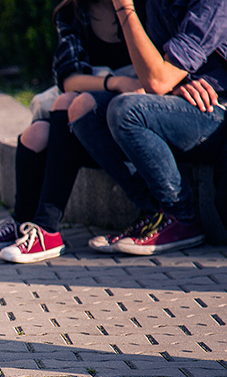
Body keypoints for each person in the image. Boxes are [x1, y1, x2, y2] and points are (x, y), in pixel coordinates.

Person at [0, 0, 144, 259]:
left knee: (66, 103)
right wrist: (118, 81)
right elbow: (69, 78)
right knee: (35, 135)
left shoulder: (146, 8)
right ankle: (23, 224)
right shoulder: (73, 12)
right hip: (88, 113)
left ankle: (47, 230)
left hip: (125, 120)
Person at [66, 0, 227, 256]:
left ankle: (181, 217)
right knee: (83, 108)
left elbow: (156, 79)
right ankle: (155, 214)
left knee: (126, 110)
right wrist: (177, 83)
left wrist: (125, 7)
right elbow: (158, 76)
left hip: (217, 112)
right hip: (184, 103)